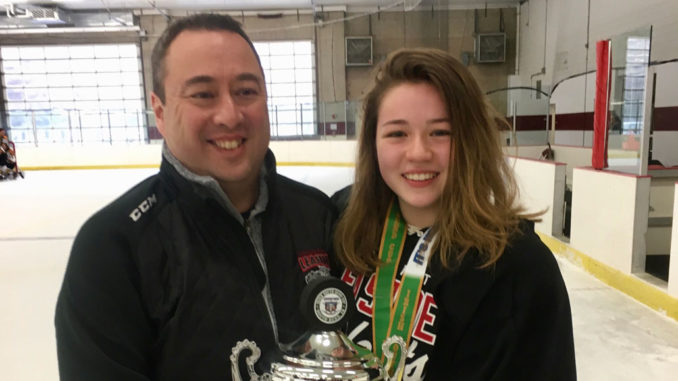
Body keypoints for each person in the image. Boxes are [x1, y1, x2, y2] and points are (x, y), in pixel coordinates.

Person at [55, 14, 336, 381]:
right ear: (160, 111)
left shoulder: (318, 215)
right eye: (203, 94)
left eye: (246, 91)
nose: (229, 114)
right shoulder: (113, 247)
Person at [332, 48, 576, 380]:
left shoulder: (522, 270)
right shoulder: (341, 221)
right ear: (373, 142)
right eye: (397, 133)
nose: (419, 152)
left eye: (441, 132)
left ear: (471, 138)